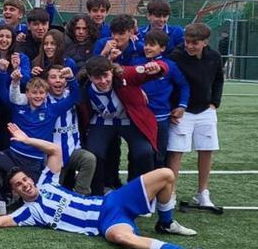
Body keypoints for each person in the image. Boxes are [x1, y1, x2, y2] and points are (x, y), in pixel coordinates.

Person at [0, 124, 204, 249]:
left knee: (165, 174)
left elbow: (54, 149)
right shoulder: (29, 212)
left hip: (111, 202)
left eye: (26, 179)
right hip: (105, 224)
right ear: (14, 192)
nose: (26, 184)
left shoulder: (47, 182)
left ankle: (166, 222)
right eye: (19, 185)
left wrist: (27, 140)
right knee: (119, 237)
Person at [0, 65, 80, 217]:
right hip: (12, 155)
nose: (38, 96)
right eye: (34, 93)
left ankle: (14, 197)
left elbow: (75, 97)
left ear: (46, 94)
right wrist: (11, 79)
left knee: (40, 200)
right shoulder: (18, 107)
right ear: (27, 93)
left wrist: (71, 78)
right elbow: (1, 91)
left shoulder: (52, 109)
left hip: (33, 161)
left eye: (41, 93)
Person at [79, 56, 167, 195]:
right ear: (89, 77)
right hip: (102, 121)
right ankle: (99, 192)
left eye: (105, 75)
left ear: (112, 71)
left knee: (144, 152)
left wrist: (158, 67)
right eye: (97, 78)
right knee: (94, 153)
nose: (103, 81)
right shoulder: (83, 85)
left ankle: (140, 194)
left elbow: (157, 68)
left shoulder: (125, 75)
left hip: (129, 120)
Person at [167, 23, 224, 208]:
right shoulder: (175, 56)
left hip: (206, 111)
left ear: (205, 42)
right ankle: (171, 193)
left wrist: (214, 102)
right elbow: (169, 83)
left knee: (206, 150)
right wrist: (173, 108)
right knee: (176, 153)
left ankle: (202, 193)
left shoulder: (214, 57)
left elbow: (218, 79)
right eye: (187, 41)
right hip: (181, 113)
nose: (189, 46)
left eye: (195, 43)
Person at [133, 30, 190, 167]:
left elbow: (184, 86)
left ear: (163, 48)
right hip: (139, 118)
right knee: (139, 154)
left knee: (159, 155)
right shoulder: (136, 62)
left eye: (152, 45)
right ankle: (136, 185)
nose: (147, 47)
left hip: (161, 118)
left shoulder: (170, 65)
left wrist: (182, 106)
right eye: (146, 44)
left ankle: (158, 186)